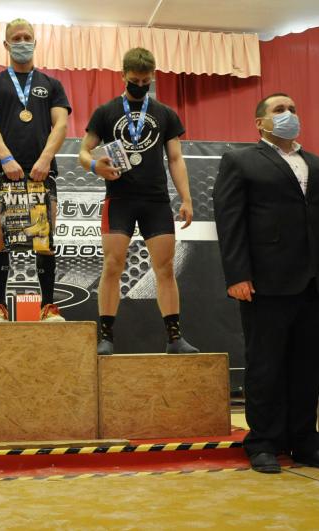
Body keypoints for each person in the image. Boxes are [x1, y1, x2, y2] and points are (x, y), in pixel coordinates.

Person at [213, 93, 319, 473]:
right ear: (260, 122)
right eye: (279, 110)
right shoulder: (241, 161)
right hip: (265, 281)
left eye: (292, 109)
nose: (289, 114)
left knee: (306, 367)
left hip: (313, 283)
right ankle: (263, 443)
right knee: (266, 365)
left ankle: (305, 441)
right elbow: (230, 221)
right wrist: (237, 275)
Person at [78, 47, 199, 355]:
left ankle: (174, 338)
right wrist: (95, 166)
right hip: (119, 198)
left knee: (165, 267)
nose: (141, 85)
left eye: (146, 81)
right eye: (135, 80)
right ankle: (106, 337)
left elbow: (175, 158)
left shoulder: (165, 113)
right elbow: (83, 152)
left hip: (156, 200)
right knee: (112, 265)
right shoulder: (105, 112)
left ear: (152, 77)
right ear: (123, 75)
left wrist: (186, 198)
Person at [0, 18, 71, 322]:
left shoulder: (52, 84)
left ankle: (48, 307)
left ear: (36, 42)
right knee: (1, 236)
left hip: (42, 171)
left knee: (44, 237)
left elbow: (61, 125)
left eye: (27, 37)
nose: (22, 42)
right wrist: (5, 158)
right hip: (3, 170)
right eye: (16, 38)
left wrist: (45, 159)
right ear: (6, 44)